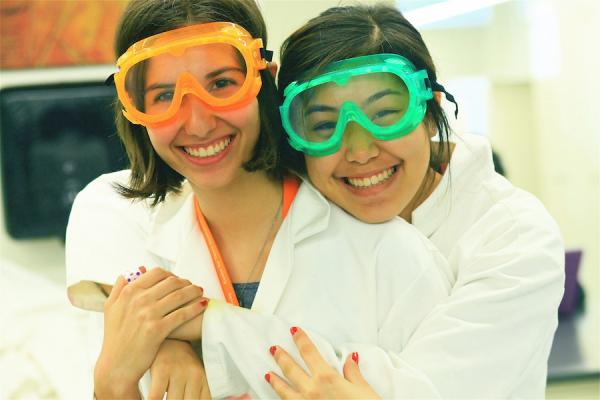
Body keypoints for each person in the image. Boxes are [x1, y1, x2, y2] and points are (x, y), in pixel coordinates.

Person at [65, 0, 452, 399]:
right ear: (135, 110)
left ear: (263, 80)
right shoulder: (135, 260)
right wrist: (112, 382)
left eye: (221, 84)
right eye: (163, 96)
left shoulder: (391, 256)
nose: (198, 123)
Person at [249, 4, 564, 399]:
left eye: (384, 114)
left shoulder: (513, 235)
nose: (360, 151)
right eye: (325, 125)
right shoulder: (295, 216)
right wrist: (176, 346)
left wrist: (218, 336)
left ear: (430, 112)